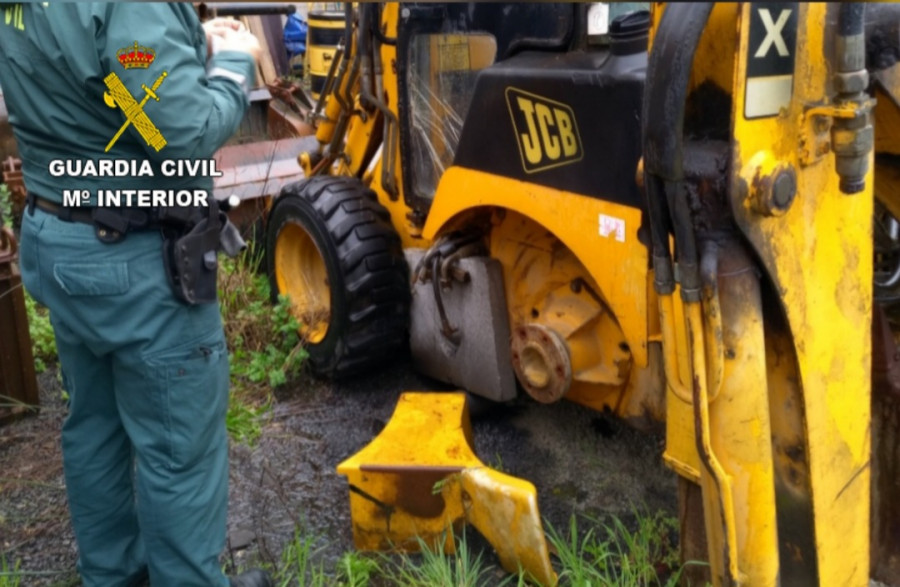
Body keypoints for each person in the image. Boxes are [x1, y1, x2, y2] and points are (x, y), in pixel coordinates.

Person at [0, 4, 271, 586]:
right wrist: (231, 64)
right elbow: (179, 141)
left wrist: (180, 40)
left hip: (60, 238)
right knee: (179, 453)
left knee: (94, 424)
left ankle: (113, 576)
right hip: (133, 263)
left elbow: (108, 82)